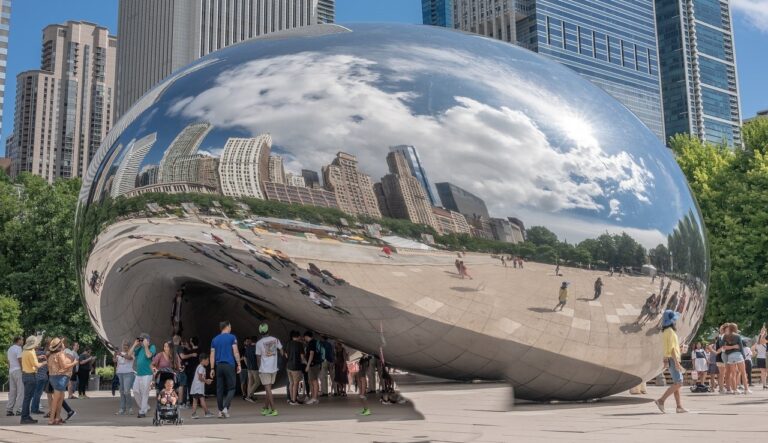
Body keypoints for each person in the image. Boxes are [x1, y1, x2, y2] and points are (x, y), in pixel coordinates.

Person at [654, 310, 687, 413]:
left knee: (676, 383)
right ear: (672, 321)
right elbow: (672, 349)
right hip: (673, 359)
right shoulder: (671, 332)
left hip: (670, 358)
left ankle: (679, 406)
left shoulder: (665, 332)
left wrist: (680, 349)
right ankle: (661, 400)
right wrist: (677, 363)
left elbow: (669, 348)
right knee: (679, 382)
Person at [210, 321, 241, 418]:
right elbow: (235, 352)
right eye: (230, 326)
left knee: (219, 389)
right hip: (229, 365)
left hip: (219, 366)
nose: (231, 328)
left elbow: (212, 355)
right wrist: (239, 364)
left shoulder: (214, 339)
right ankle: (225, 408)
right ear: (227, 327)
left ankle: (220, 411)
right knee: (231, 388)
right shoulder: (232, 337)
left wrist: (211, 368)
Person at [46, 338, 78, 425]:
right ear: (60, 346)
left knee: (59, 400)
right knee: (57, 400)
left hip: (53, 378)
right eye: (62, 343)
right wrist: (74, 363)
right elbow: (64, 366)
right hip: (60, 378)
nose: (63, 344)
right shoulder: (60, 354)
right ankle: (52, 419)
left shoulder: (51, 355)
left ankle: (57, 418)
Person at [255, 323, 283, 417]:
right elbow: (281, 350)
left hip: (264, 369)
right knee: (268, 389)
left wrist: (259, 368)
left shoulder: (259, 343)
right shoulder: (275, 339)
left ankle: (274, 409)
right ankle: (266, 408)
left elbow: (258, 358)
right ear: (268, 330)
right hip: (273, 368)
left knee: (268, 390)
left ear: (260, 332)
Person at [130, 333, 156, 418]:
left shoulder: (152, 347)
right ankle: (145, 407)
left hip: (147, 374)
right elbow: (129, 354)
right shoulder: (140, 348)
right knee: (135, 390)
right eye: (140, 340)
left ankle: (142, 411)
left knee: (145, 392)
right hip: (139, 374)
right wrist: (135, 344)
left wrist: (145, 346)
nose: (141, 342)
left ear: (147, 340)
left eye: (143, 340)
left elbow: (149, 355)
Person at [20, 335, 44, 424]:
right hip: (30, 376)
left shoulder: (25, 351)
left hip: (25, 375)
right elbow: (37, 365)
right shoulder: (31, 352)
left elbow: (30, 361)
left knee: (27, 398)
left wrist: (38, 358)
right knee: (27, 398)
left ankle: (26, 416)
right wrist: (44, 362)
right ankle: (25, 417)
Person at [722, 323, 750, 394]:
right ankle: (746, 389)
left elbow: (724, 348)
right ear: (735, 328)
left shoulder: (725, 336)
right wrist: (743, 356)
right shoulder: (738, 336)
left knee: (733, 374)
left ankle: (735, 390)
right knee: (743, 373)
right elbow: (741, 347)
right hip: (738, 355)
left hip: (730, 356)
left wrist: (730, 348)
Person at [284, 330, 305, 405]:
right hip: (296, 366)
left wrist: (290, 358)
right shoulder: (299, 344)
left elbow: (285, 354)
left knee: (291, 383)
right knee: (296, 383)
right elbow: (302, 357)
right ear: (298, 337)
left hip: (288, 366)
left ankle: (290, 399)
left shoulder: (288, 343)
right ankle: (294, 400)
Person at [190, 353, 214, 419]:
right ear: (203, 360)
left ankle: (194, 413)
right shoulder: (201, 368)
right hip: (198, 388)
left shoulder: (199, 367)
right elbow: (200, 378)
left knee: (195, 400)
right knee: (202, 400)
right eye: (207, 360)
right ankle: (206, 412)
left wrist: (206, 380)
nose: (208, 362)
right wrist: (207, 381)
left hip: (196, 387)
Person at [114, 342, 135, 415]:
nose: (124, 347)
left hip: (128, 373)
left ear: (129, 346)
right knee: (121, 391)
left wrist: (120, 354)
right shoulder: (120, 353)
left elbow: (129, 358)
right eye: (123, 345)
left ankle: (130, 408)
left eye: (126, 345)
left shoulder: (131, 353)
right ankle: (122, 409)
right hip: (120, 373)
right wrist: (115, 352)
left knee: (126, 391)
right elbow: (114, 360)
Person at [5, 336, 24, 417]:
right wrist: (23, 370)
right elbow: (20, 359)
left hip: (11, 370)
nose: (23, 341)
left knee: (12, 391)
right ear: (18, 340)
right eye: (22, 340)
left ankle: (9, 409)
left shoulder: (10, 349)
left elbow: (8, 361)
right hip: (18, 370)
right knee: (21, 390)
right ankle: (19, 409)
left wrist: (10, 369)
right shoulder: (18, 348)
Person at [303, 331, 322, 404]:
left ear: (307, 336)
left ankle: (314, 398)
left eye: (304, 337)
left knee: (314, 381)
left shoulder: (311, 343)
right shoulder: (315, 342)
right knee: (313, 381)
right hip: (315, 364)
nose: (304, 339)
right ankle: (314, 398)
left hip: (313, 365)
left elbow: (311, 354)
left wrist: (308, 365)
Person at [31, 342, 49, 415]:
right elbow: (47, 353)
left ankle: (35, 408)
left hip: (39, 377)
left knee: (37, 394)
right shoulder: (39, 353)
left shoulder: (35, 353)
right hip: (40, 377)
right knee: (37, 394)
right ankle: (34, 409)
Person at [243, 336, 260, 402]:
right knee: (257, 382)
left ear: (251, 341)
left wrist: (247, 365)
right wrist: (259, 366)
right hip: (255, 367)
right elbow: (258, 358)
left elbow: (244, 357)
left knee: (250, 382)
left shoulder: (247, 347)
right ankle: (249, 395)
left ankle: (250, 396)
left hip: (249, 368)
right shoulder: (256, 348)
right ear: (257, 341)